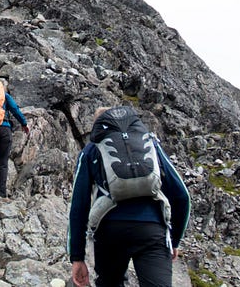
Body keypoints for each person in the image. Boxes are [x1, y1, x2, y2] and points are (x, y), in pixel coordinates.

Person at [67, 106, 190, 287]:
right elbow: (182, 195)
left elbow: (79, 206)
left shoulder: (91, 149)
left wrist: (77, 257)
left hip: (110, 231)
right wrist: (174, 239)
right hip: (152, 230)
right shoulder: (150, 143)